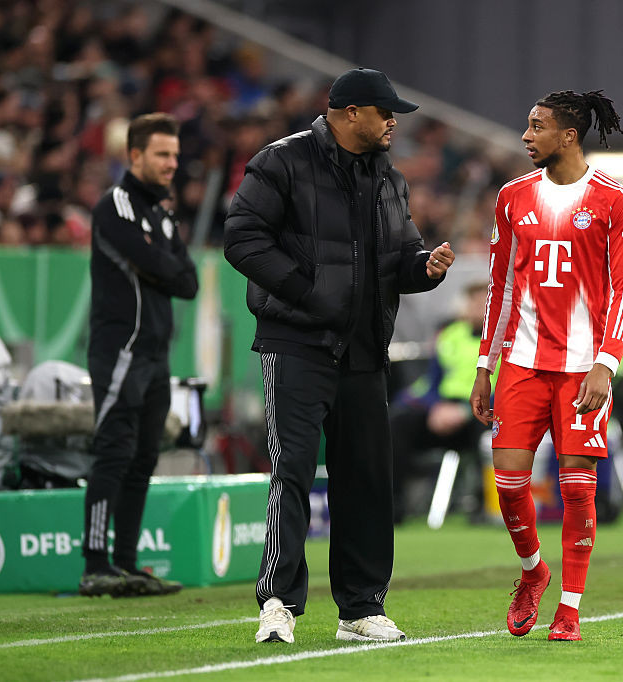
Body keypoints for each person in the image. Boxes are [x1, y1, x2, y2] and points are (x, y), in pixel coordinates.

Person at [223, 68, 455, 645]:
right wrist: (307, 292)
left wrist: (423, 268)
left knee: (367, 480)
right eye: (385, 112)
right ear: (351, 113)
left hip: (365, 349)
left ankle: (361, 608)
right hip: (296, 342)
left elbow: (400, 256)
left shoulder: (389, 179)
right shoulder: (282, 162)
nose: (394, 122)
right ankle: (277, 602)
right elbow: (242, 238)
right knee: (294, 471)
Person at [470, 90, 623, 642]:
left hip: (583, 368)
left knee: (578, 488)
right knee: (508, 481)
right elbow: (500, 286)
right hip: (522, 361)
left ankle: (570, 608)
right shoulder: (512, 196)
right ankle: (532, 571)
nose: (526, 135)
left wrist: (606, 363)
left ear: (568, 135)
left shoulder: (615, 201)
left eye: (536, 126)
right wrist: (484, 365)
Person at [79, 113, 198, 597]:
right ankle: (95, 564)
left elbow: (187, 282)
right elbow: (159, 265)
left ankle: (126, 564)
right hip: (122, 348)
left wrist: (158, 263)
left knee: (145, 456)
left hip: (155, 352)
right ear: (135, 155)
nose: (172, 164)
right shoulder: (116, 204)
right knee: (114, 451)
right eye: (162, 154)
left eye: (175, 155)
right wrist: (160, 264)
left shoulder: (162, 215)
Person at [391, 280, 491, 524]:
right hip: (444, 409)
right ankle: (393, 506)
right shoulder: (450, 335)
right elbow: (431, 383)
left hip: (483, 412)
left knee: (488, 430)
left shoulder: (508, 340)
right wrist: (436, 407)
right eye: (474, 302)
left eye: (484, 302)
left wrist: (465, 411)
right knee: (397, 423)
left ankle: (484, 506)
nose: (478, 308)